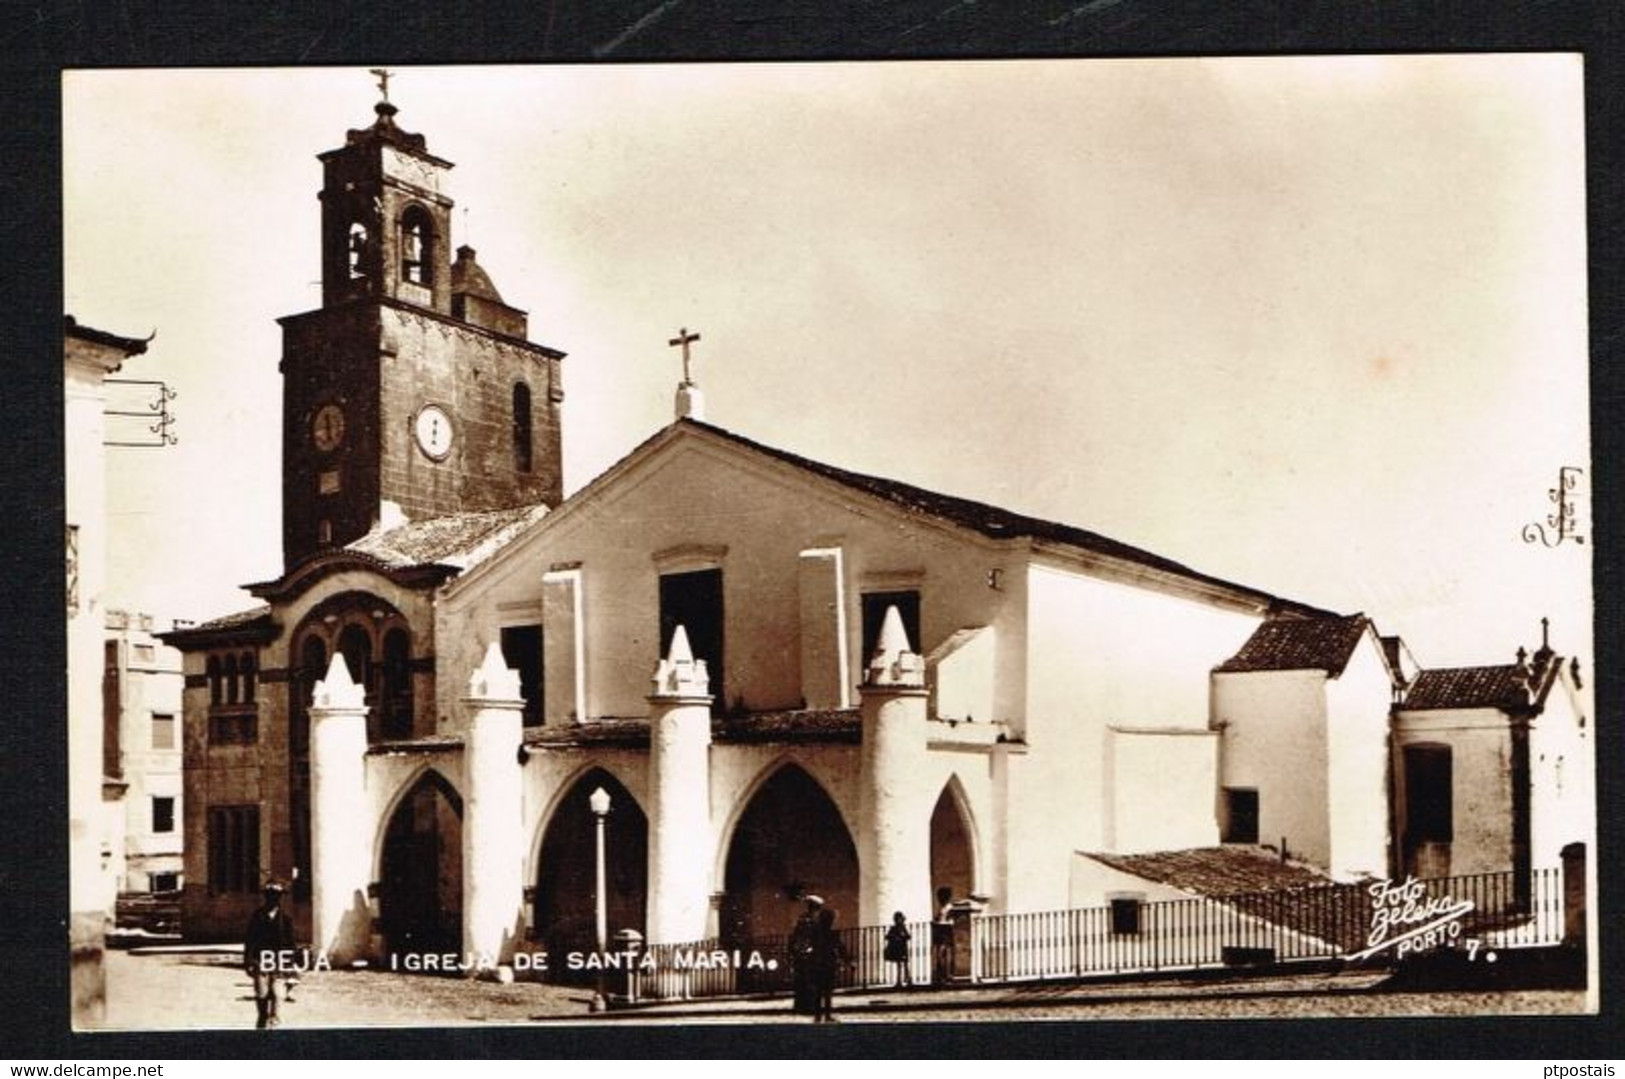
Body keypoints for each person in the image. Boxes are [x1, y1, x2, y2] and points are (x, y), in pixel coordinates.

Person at [244, 882, 296, 1029]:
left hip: (279, 961)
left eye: (277, 896)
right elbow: (250, 940)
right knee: (262, 993)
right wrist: (248, 961)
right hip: (260, 961)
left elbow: (291, 943)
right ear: (265, 897)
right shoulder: (258, 916)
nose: (273, 899)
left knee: (278, 993)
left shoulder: (285, 918)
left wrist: (290, 963)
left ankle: (274, 1022)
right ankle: (262, 1018)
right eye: (270, 896)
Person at [810, 906, 849, 1023]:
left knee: (818, 991)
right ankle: (827, 1014)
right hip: (828, 963)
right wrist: (847, 959)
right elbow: (841, 948)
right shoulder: (832, 934)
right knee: (827, 991)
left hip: (817, 963)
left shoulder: (815, 933)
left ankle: (818, 1016)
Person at [788, 895, 823, 1016]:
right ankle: (804, 1006)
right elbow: (797, 935)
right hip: (805, 952)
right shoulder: (806, 918)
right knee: (804, 980)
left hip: (810, 953)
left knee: (808, 980)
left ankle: (807, 1006)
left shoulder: (814, 919)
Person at [883, 911, 913, 988]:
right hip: (898, 948)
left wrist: (901, 937)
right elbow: (887, 936)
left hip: (902, 948)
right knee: (900, 965)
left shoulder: (902, 928)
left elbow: (908, 936)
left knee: (904, 964)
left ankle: (907, 980)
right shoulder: (895, 928)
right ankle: (900, 981)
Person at [932, 885, 954, 985]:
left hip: (945, 931)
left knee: (943, 955)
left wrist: (937, 922)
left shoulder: (949, 908)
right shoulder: (943, 908)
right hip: (940, 932)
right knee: (940, 955)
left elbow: (949, 921)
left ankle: (947, 976)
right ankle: (942, 976)